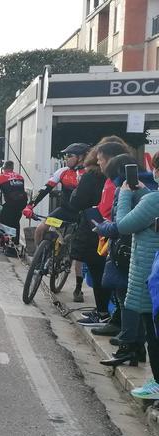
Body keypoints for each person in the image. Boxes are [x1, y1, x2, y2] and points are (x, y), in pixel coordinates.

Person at [94, 167, 159, 375]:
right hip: (151, 266)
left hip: (146, 267)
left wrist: (124, 195)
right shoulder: (152, 199)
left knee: (150, 327)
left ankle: (155, 381)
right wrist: (142, 191)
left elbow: (122, 225)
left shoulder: (152, 200)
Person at [23, 142, 88, 300]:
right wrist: (30, 205)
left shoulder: (88, 174)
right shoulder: (63, 172)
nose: (66, 158)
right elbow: (45, 189)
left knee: (78, 254)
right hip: (64, 211)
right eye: (65, 155)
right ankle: (40, 259)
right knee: (40, 229)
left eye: (69, 156)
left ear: (80, 158)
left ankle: (78, 288)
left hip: (82, 214)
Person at [68, 142, 118, 327]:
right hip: (108, 231)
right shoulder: (114, 179)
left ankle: (103, 312)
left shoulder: (94, 177)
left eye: (100, 160)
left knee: (98, 272)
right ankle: (104, 311)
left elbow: (77, 201)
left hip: (96, 230)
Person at [0, 160, 28, 257]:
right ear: (12, 168)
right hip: (22, 203)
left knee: (3, 221)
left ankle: (8, 244)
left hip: (11, 203)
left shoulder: (0, 178)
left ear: (3, 169)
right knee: (15, 222)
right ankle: (15, 243)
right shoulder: (20, 177)